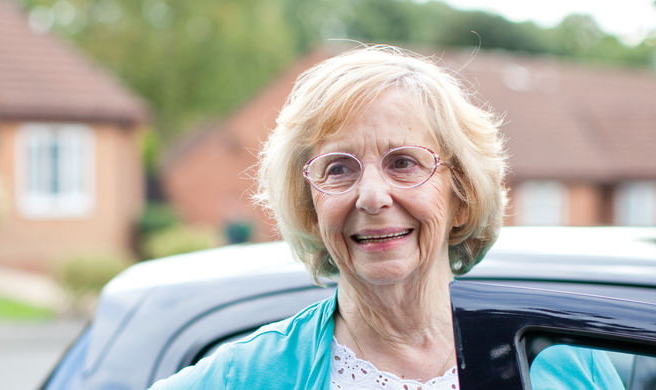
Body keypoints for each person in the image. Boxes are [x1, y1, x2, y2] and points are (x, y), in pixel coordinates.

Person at [149, 45, 618, 389]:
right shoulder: (243, 378)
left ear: (462, 197)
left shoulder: (568, 365)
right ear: (309, 206)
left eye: (404, 163)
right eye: (338, 168)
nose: (372, 197)